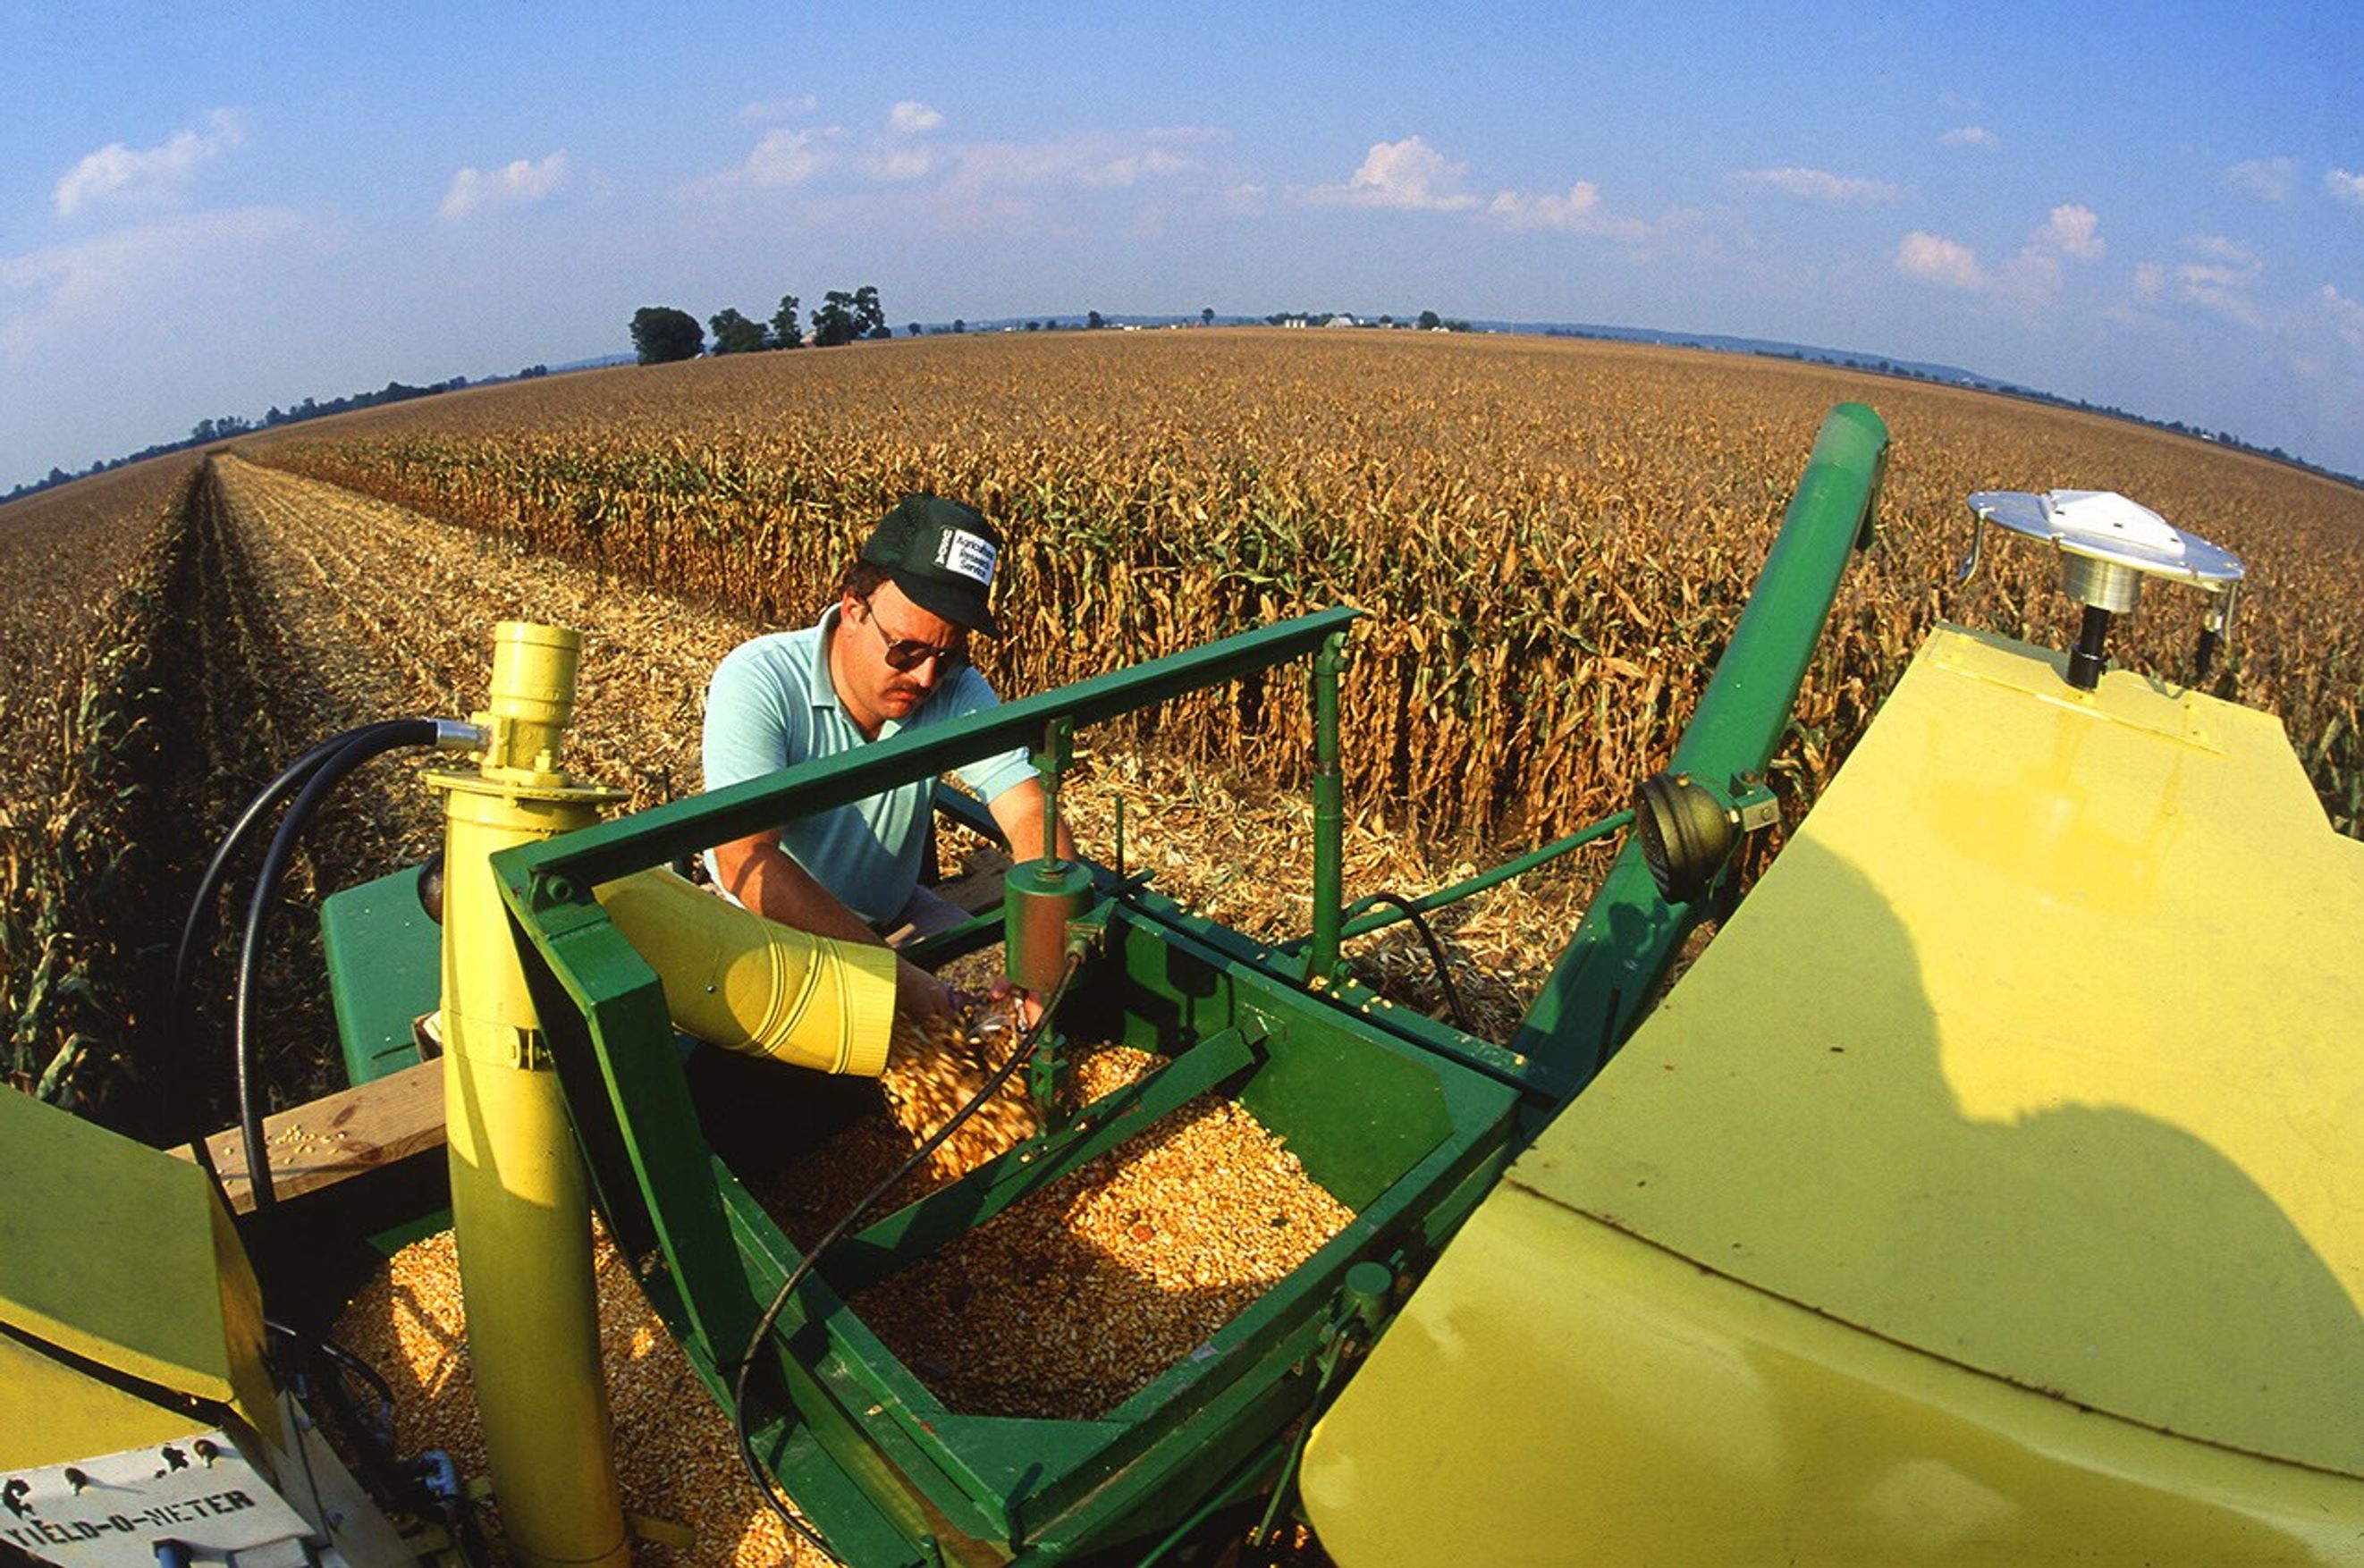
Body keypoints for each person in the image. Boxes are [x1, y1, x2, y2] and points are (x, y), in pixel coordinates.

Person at [701, 494, 1072, 1024]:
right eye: (906, 650)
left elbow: (1031, 810)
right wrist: (896, 979)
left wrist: (1039, 949)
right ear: (854, 607)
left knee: (994, 1021)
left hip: (895, 916)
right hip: (770, 926)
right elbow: (747, 862)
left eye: (948, 657)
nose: (925, 678)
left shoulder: (956, 689)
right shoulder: (760, 681)